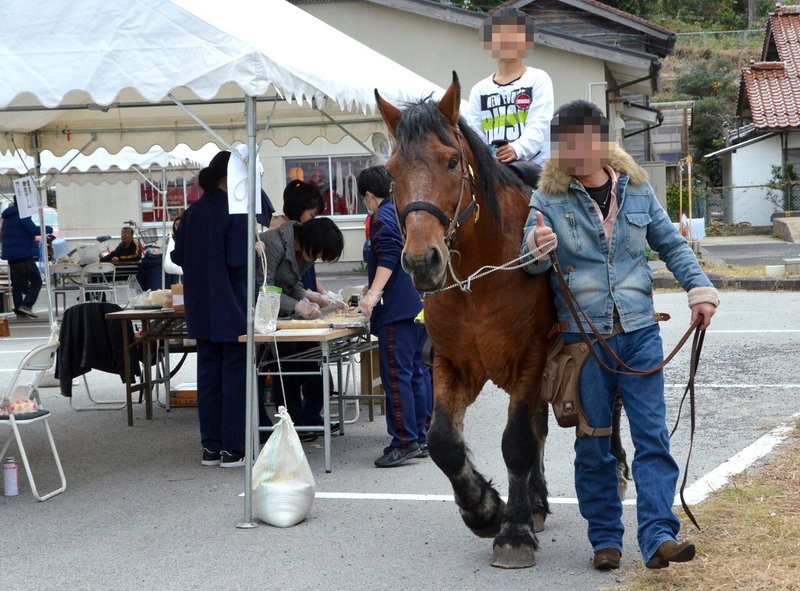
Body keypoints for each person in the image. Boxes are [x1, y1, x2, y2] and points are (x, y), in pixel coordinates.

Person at [520, 100, 719, 571]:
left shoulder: (637, 189)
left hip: (640, 332)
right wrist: (535, 247)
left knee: (652, 438)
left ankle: (658, 538)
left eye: (587, 142)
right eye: (568, 146)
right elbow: (528, 261)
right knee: (594, 443)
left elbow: (670, 243)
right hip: (583, 343)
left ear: (603, 141)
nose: (579, 153)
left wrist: (699, 289)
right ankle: (605, 539)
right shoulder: (546, 200)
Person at [171, 150, 248, 468]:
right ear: (229, 178)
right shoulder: (236, 212)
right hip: (230, 306)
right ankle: (233, 448)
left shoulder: (193, 212)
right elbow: (238, 261)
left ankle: (211, 448)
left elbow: (178, 258)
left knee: (208, 377)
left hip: (200, 307)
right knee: (234, 378)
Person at [357, 166, 433, 468]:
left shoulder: (383, 214)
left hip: (396, 309)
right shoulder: (403, 210)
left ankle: (404, 441)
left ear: (367, 196)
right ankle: (421, 435)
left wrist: (373, 294)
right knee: (416, 371)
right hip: (415, 304)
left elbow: (388, 254)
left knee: (397, 375)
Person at [258, 216, 344, 435]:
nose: (316, 258)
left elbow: (293, 283)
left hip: (286, 316)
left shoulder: (305, 251)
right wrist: (297, 305)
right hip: (267, 317)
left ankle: (310, 416)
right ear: (309, 241)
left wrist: (312, 299)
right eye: (317, 253)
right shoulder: (274, 244)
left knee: (312, 356)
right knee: (287, 366)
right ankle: (293, 421)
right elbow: (263, 289)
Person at [465, 7, 553, 167]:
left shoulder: (538, 79)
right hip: (494, 170)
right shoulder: (479, 90)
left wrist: (516, 149)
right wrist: (490, 157)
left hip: (534, 169)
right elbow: (475, 134)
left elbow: (539, 124)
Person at [0, 199, 53, 318]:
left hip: (11, 256)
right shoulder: (22, 214)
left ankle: (19, 309)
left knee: (17, 285)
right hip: (23, 255)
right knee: (36, 281)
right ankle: (26, 306)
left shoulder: (7, 216)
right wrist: (48, 228)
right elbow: (33, 230)